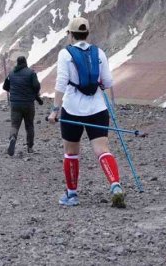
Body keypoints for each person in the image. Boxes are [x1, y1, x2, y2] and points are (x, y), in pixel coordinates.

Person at [47, 17, 125, 209]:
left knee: (71, 152)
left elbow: (61, 83)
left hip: (72, 109)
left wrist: (55, 110)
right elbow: (107, 82)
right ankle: (115, 185)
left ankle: (72, 194)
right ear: (87, 34)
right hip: (97, 109)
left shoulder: (65, 54)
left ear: (70, 35)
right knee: (102, 149)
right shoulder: (99, 53)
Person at [3, 55, 42, 156]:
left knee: (14, 125)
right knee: (29, 125)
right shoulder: (31, 73)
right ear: (25, 63)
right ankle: (30, 147)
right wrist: (34, 94)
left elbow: (5, 86)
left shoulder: (11, 74)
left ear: (17, 63)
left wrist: (14, 91)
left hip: (15, 104)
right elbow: (37, 86)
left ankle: (13, 138)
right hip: (28, 103)